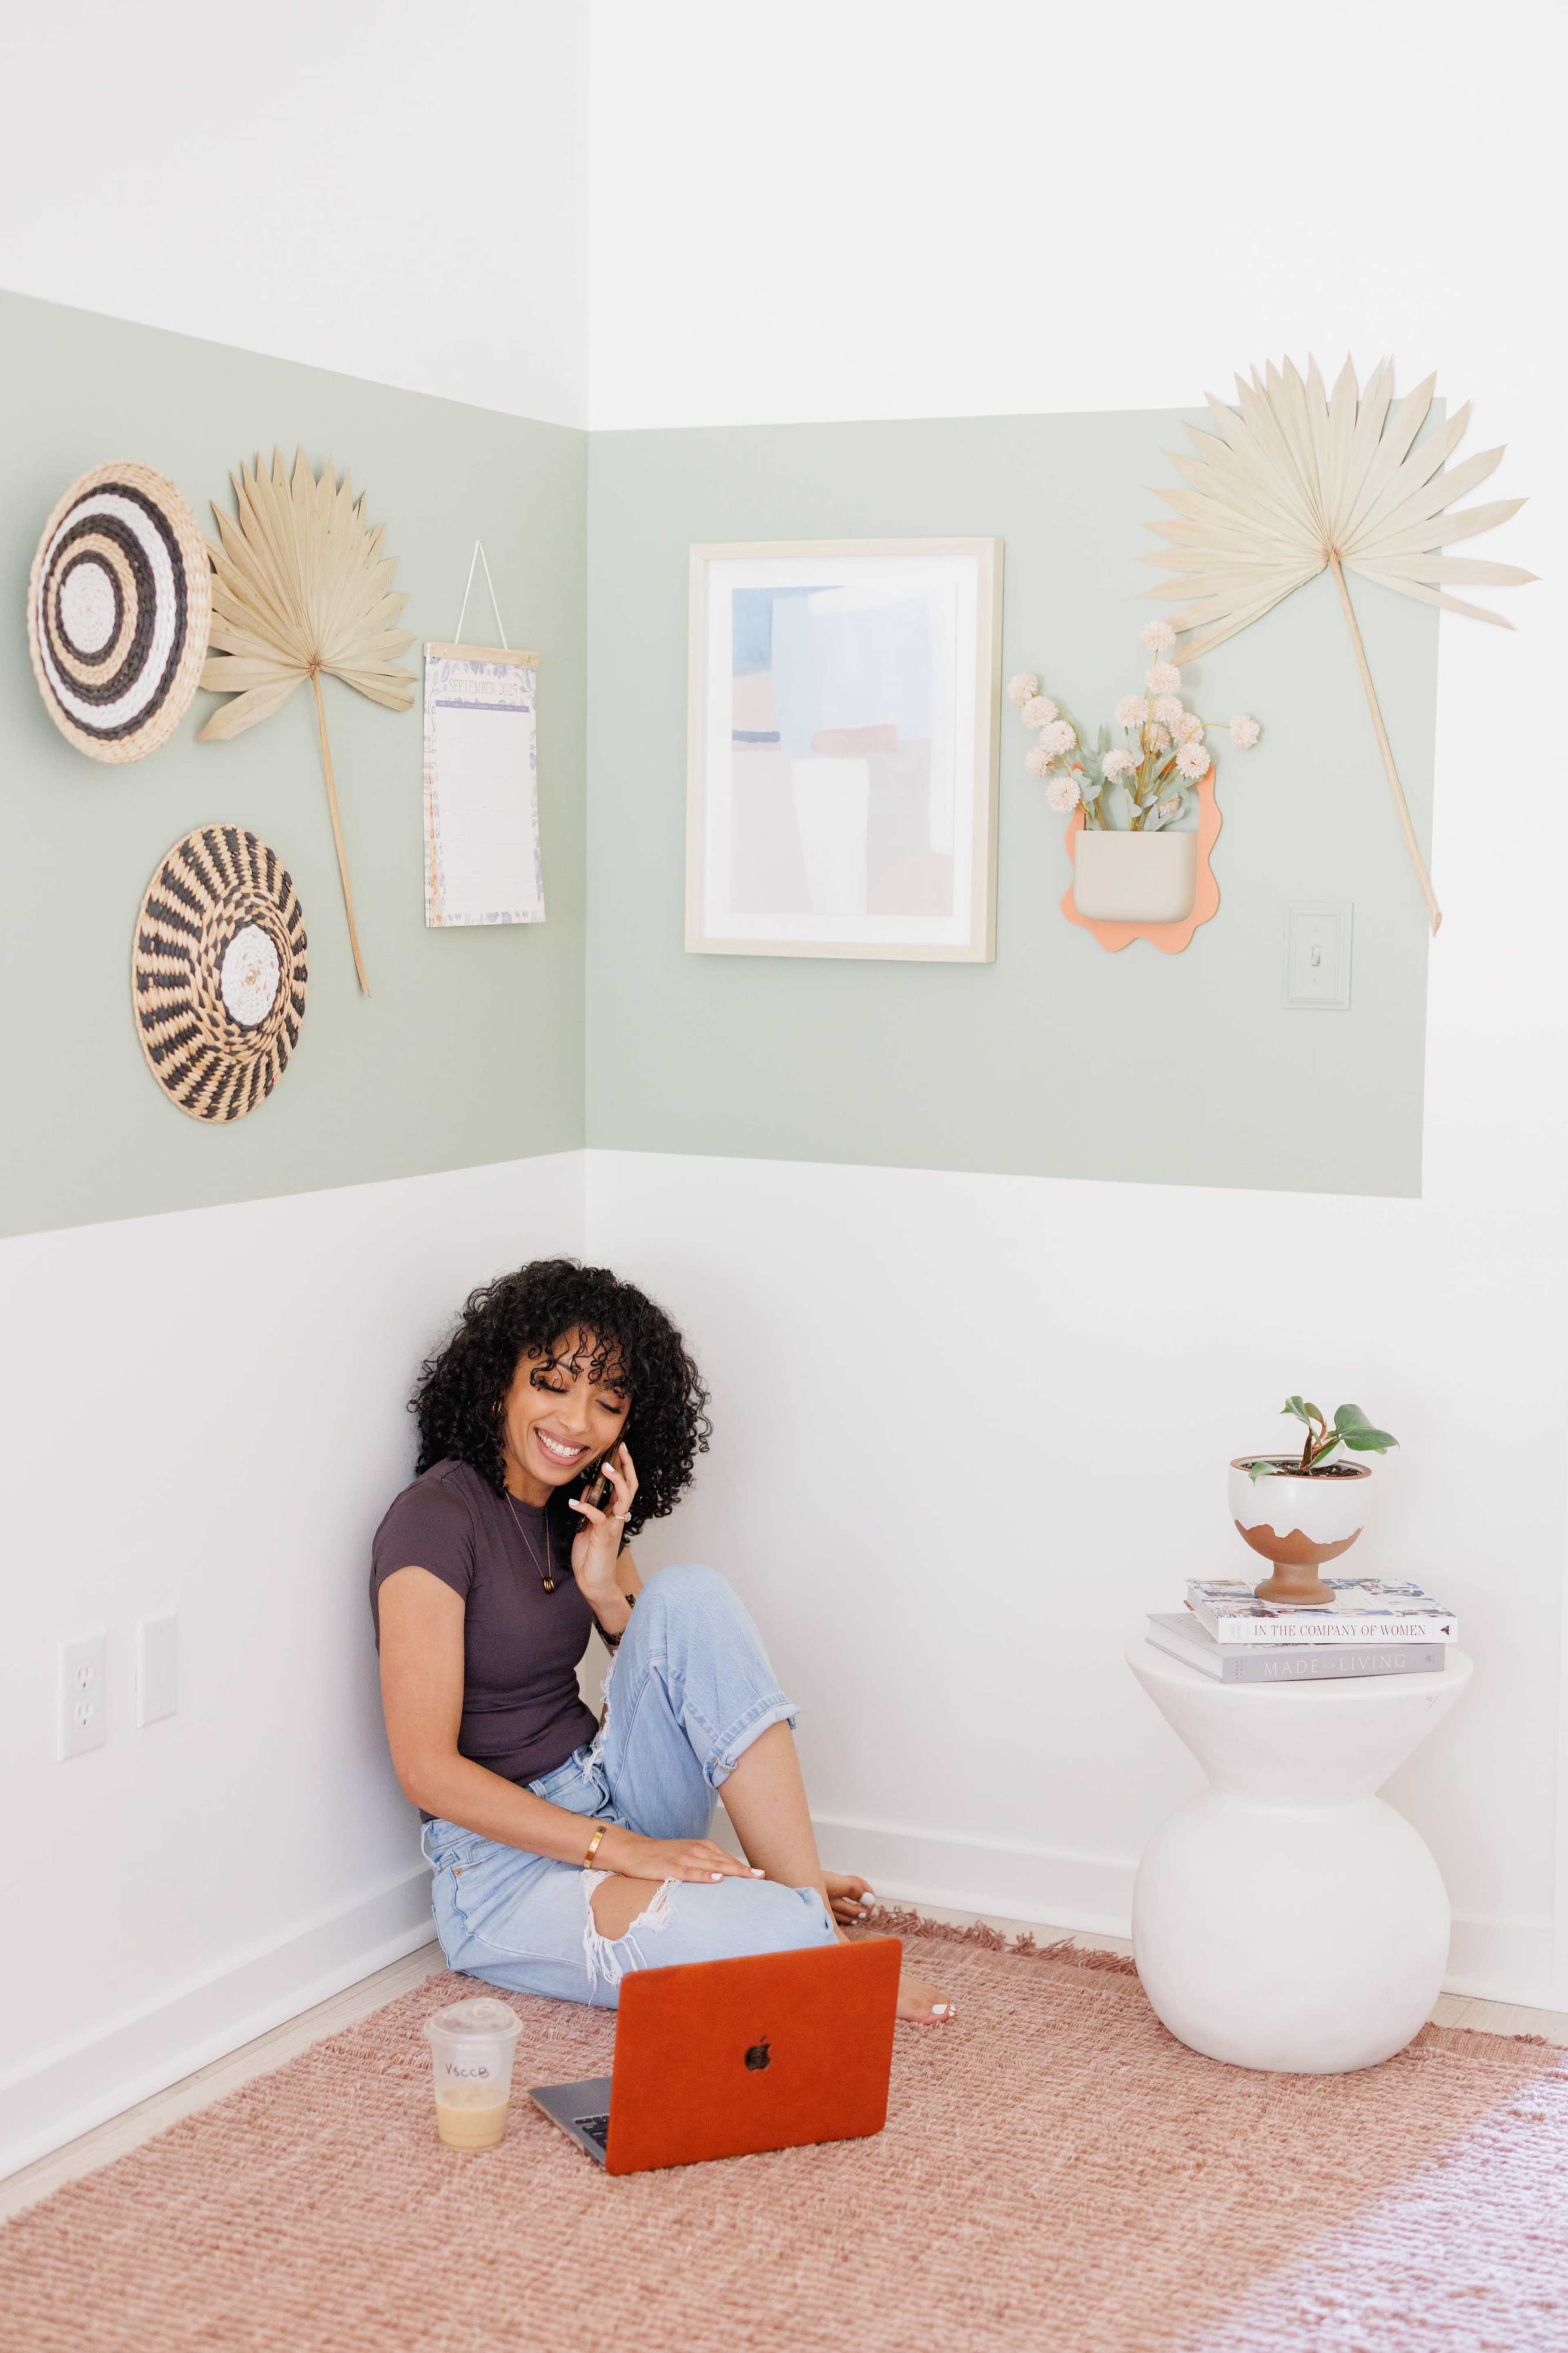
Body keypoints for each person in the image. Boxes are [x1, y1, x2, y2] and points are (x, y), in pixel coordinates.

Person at [371, 1258, 954, 2025]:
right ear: (498, 1383)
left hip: (611, 1791)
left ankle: (812, 1912)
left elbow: (675, 1673)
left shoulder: (579, 1508)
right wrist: (623, 1850)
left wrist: (607, 1592)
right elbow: (426, 1771)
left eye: (607, 1402)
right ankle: (798, 1918)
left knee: (689, 1593)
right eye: (552, 1385)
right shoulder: (433, 1520)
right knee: (769, 1928)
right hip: (501, 1873)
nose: (578, 1424)